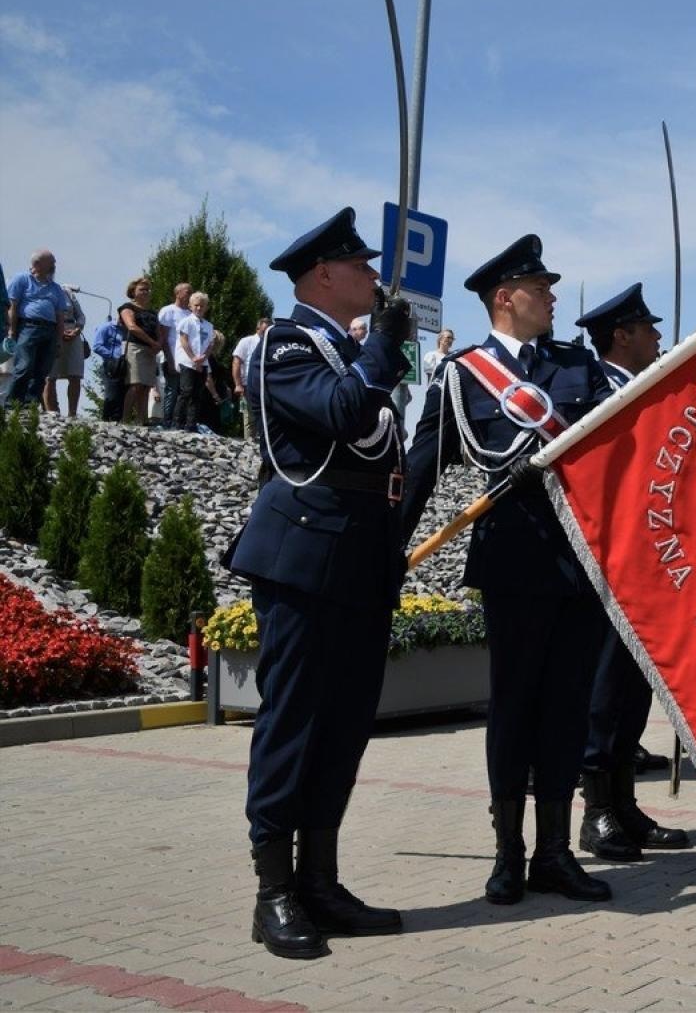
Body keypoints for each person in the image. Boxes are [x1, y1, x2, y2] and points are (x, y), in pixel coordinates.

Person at [401, 233, 616, 909]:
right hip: (514, 560)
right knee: (514, 707)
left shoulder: (576, 368)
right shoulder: (464, 376)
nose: (552, 296)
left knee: (566, 708)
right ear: (505, 297)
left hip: (580, 563)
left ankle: (555, 852)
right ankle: (508, 853)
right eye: (540, 287)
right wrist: (382, 553)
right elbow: (420, 467)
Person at [225, 207, 410, 959]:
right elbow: (340, 414)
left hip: (360, 562)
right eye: (360, 266)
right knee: (294, 721)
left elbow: (385, 454)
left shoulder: (348, 348)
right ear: (323, 275)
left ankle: (321, 879)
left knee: (344, 726)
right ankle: (273, 890)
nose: (372, 275)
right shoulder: (284, 344)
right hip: (302, 559)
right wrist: (382, 353)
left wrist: (382, 353)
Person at [568, 283, 692, 858]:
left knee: (636, 688)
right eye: (649, 329)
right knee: (605, 689)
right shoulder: (592, 392)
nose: (659, 338)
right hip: (610, 563)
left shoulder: (649, 394)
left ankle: (624, 804)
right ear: (621, 337)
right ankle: (596, 811)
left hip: (652, 562)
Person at [6, 250, 71, 406]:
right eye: (52, 262)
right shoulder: (22, 279)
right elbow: (13, 306)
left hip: (50, 330)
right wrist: (12, 330)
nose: (54, 266)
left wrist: (59, 341)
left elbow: (60, 315)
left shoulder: (55, 288)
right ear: (37, 264)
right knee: (24, 366)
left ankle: (31, 403)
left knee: (42, 370)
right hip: (28, 327)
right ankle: (12, 404)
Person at [117, 277, 164, 426]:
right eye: (142, 289)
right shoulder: (128, 307)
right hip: (135, 347)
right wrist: (152, 342)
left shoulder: (152, 312)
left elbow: (159, 331)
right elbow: (131, 326)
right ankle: (125, 419)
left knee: (146, 386)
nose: (145, 292)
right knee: (135, 383)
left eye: (147, 289)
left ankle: (141, 419)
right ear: (133, 291)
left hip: (150, 350)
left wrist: (158, 345)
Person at [42, 287, 88, 417]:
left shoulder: (66, 291)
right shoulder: (43, 291)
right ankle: (51, 413)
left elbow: (81, 315)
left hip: (73, 332)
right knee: (50, 375)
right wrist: (59, 331)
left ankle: (72, 414)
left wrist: (77, 330)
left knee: (75, 374)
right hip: (53, 331)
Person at [174, 292, 216, 432]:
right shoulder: (186, 321)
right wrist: (193, 358)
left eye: (202, 306)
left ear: (206, 307)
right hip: (187, 361)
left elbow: (210, 344)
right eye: (196, 305)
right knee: (186, 391)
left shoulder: (209, 326)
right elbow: (184, 340)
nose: (199, 308)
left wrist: (203, 357)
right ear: (191, 306)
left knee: (197, 394)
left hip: (202, 362)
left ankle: (191, 424)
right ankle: (177, 423)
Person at [157, 282, 192, 428]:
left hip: (187, 359)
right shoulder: (168, 311)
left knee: (185, 392)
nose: (190, 295)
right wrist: (170, 360)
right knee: (172, 389)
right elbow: (163, 337)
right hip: (172, 356)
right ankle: (167, 421)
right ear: (177, 293)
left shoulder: (190, 314)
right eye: (187, 292)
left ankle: (180, 422)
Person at [233, 318, 270, 442]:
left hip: (266, 385)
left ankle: (262, 442)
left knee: (264, 414)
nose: (265, 334)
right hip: (249, 383)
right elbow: (236, 362)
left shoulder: (270, 344)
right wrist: (238, 384)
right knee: (249, 416)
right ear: (257, 329)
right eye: (263, 331)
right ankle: (249, 442)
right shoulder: (246, 342)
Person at [90, 313, 128, 422]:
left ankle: (117, 420)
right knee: (111, 394)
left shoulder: (127, 330)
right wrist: (112, 356)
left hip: (124, 365)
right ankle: (106, 419)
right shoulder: (106, 327)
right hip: (111, 365)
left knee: (122, 394)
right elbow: (97, 346)